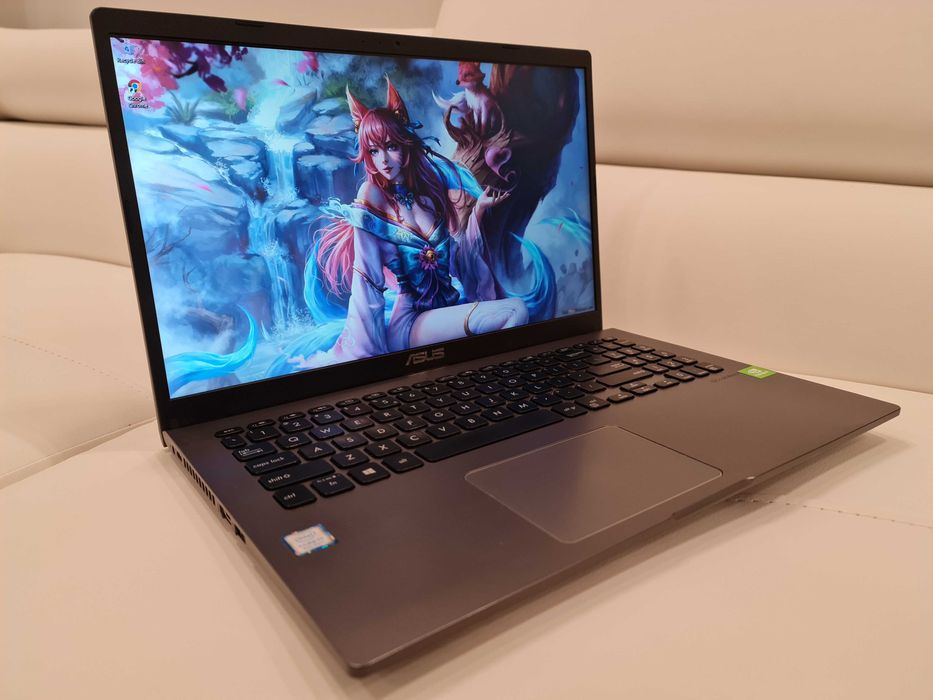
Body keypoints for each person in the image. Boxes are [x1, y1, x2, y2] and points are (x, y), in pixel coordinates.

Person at [316, 77, 528, 361]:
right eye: (374, 151)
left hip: (446, 311)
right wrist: (369, 358)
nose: (383, 160)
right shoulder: (373, 198)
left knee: (514, 311)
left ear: (405, 146)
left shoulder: (428, 200)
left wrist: (479, 210)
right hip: (411, 324)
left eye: (391, 146)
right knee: (515, 311)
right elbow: (366, 280)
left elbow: (458, 262)